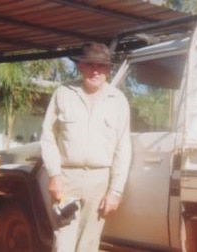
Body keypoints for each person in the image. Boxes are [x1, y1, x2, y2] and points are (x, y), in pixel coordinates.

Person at [40, 42, 131, 252]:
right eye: (89, 64)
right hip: (67, 179)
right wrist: (54, 175)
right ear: (80, 66)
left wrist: (115, 190)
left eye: (101, 65)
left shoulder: (118, 100)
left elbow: (123, 148)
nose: (95, 70)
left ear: (109, 69)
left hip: (99, 181)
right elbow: (48, 137)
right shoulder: (63, 93)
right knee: (63, 242)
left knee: (89, 245)